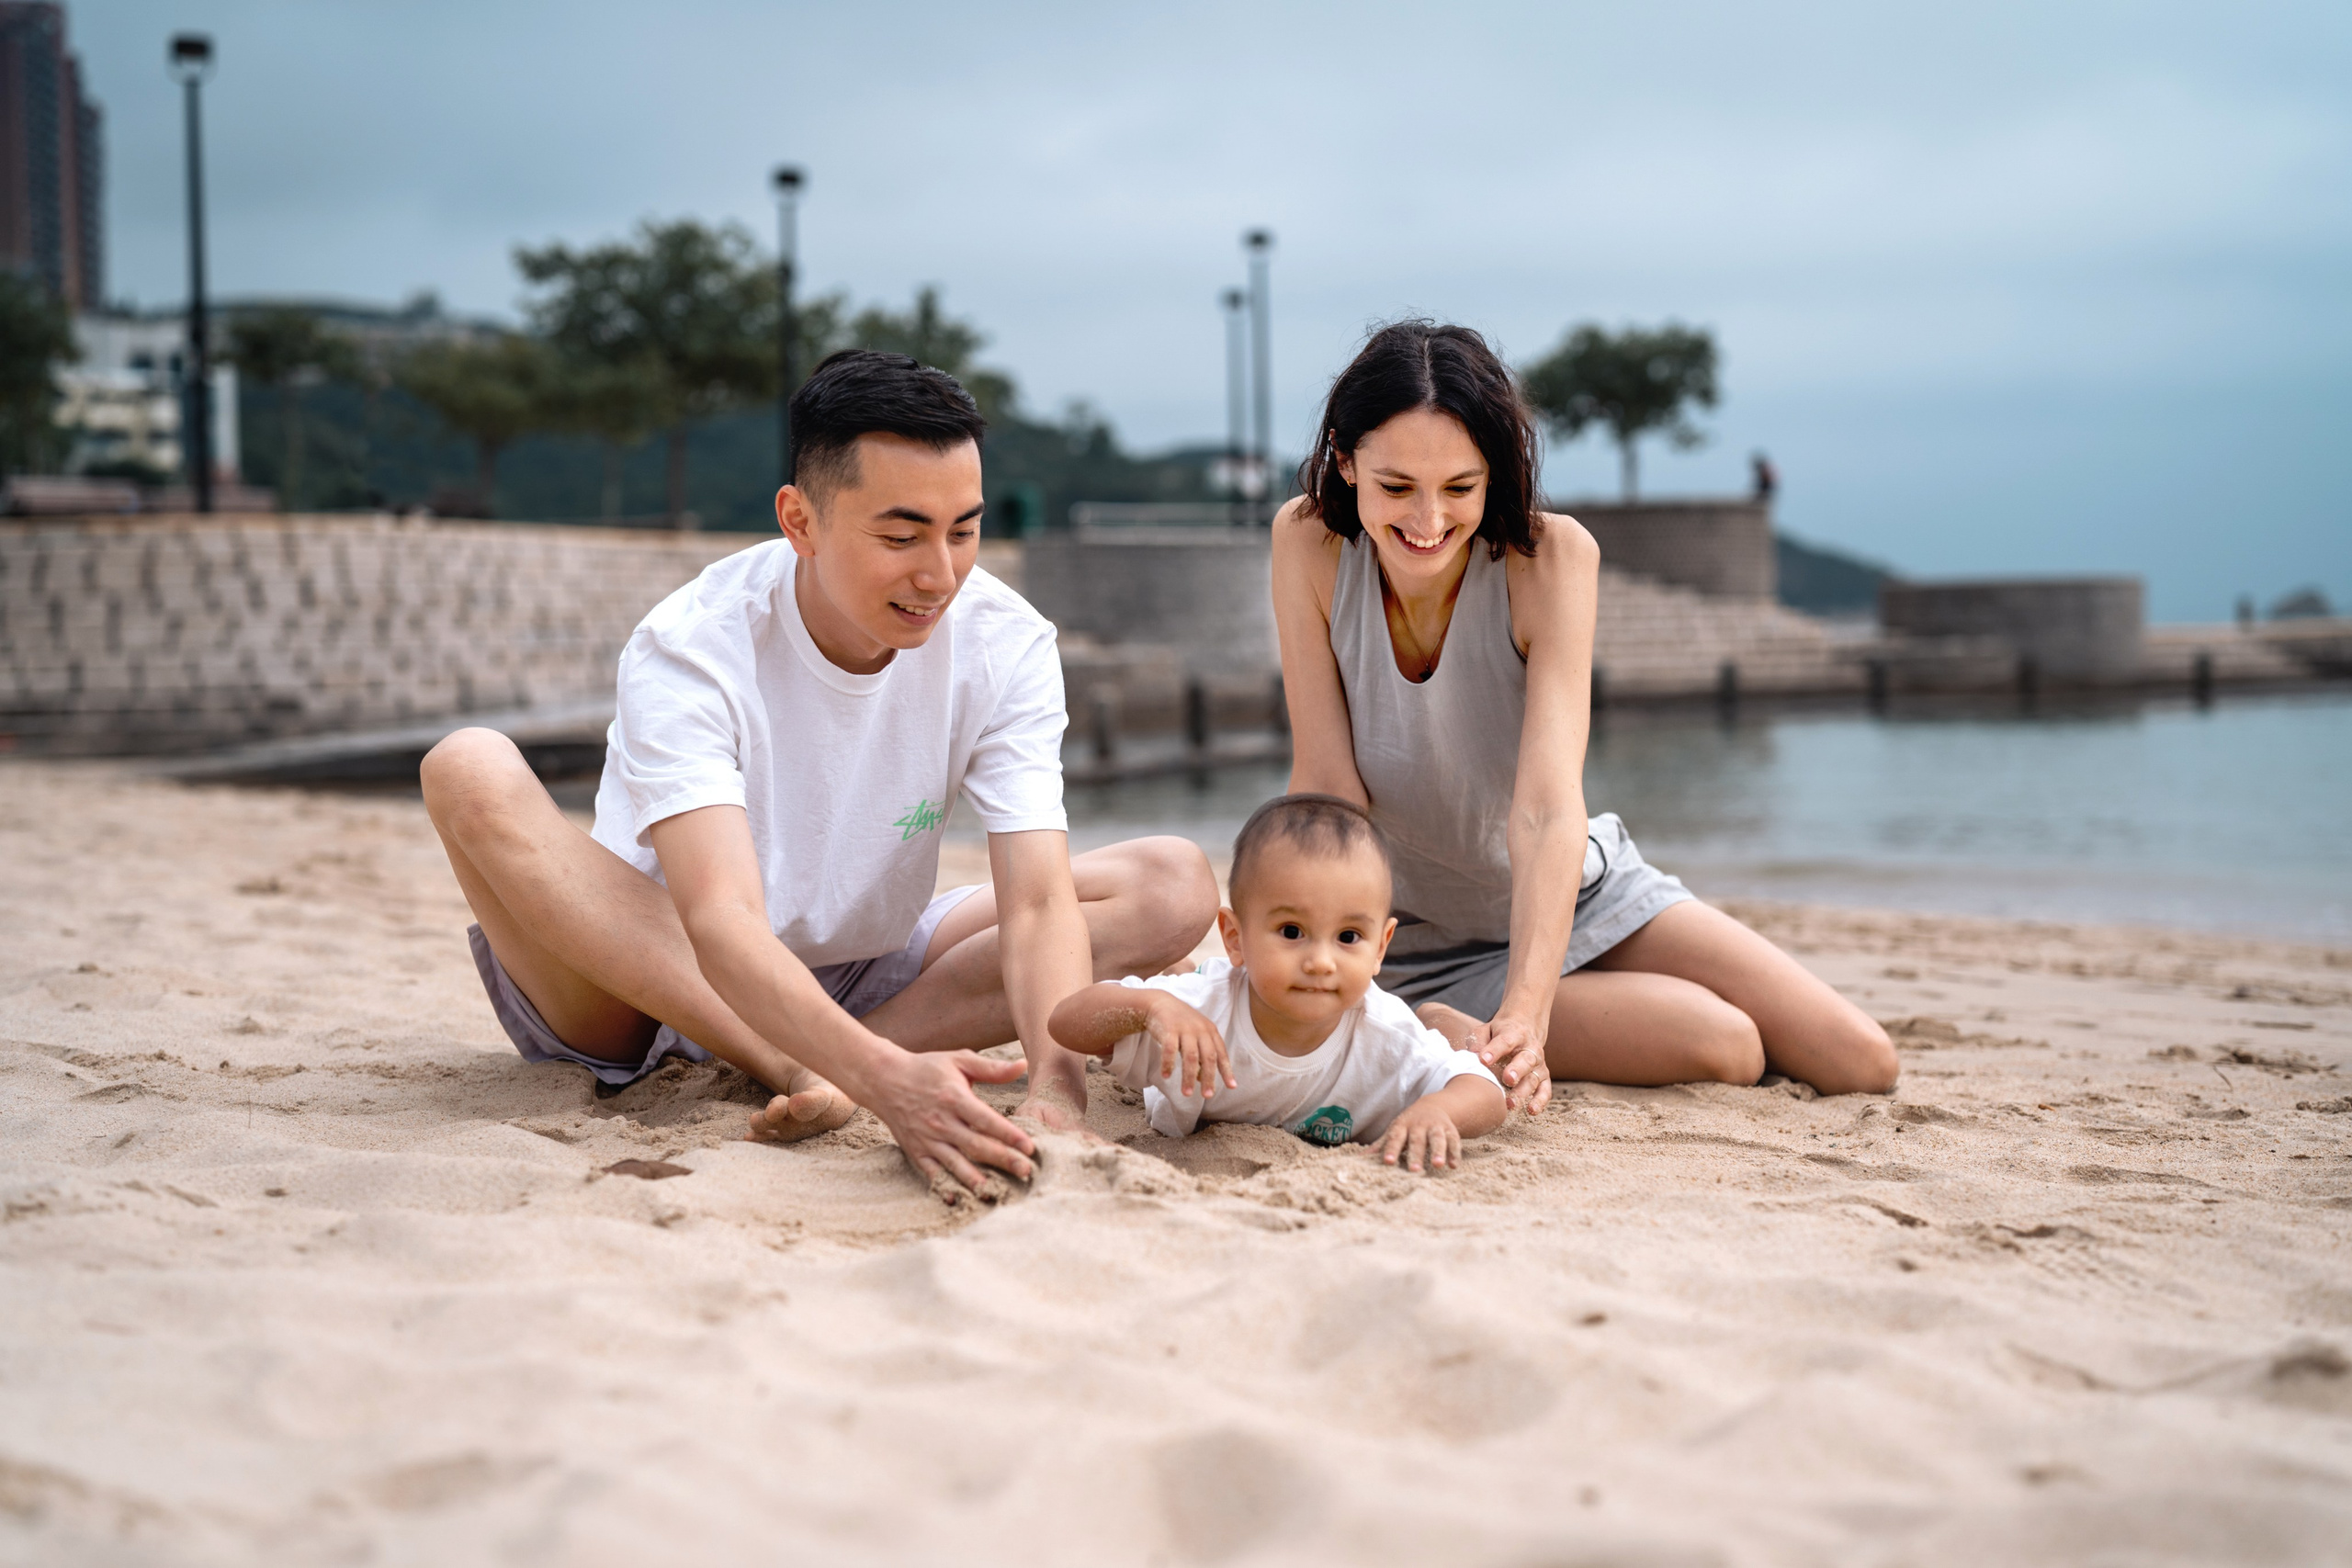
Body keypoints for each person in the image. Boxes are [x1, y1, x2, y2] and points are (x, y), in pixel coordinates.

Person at [421, 350, 1218, 1195]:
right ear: (800, 521)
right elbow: (719, 919)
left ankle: (839, 1057)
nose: (939, 574)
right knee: (467, 765)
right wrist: (884, 1084)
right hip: (650, 983)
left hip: (862, 970)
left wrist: (1056, 1089)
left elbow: (1037, 897)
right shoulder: (695, 644)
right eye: (901, 535)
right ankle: (811, 1062)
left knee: (1173, 880)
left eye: (965, 531)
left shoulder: (1005, 641)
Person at [1271, 321, 1898, 1111]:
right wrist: (1312, 948)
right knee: (1729, 1045)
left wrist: (1526, 1017)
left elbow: (1545, 806)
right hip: (1413, 944)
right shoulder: (1307, 543)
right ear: (1344, 459)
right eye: (1397, 488)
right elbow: (1328, 788)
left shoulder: (1552, 560)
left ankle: (1523, 1000)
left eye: (1461, 488)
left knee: (1861, 1058)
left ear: (1496, 474)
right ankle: (1436, 1022)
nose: (1428, 521)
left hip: (1576, 891)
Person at [1050, 794, 1503, 1174]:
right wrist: (1150, 1008)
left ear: (1381, 947)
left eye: (1349, 937)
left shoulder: (1385, 1032)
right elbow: (1067, 1023)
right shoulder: (1198, 1013)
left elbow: (1484, 1090)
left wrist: (1439, 1111)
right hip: (1212, 990)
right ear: (1234, 937)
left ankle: (1437, 1015)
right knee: (1185, 988)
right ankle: (1179, 973)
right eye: (1292, 932)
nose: (1321, 962)